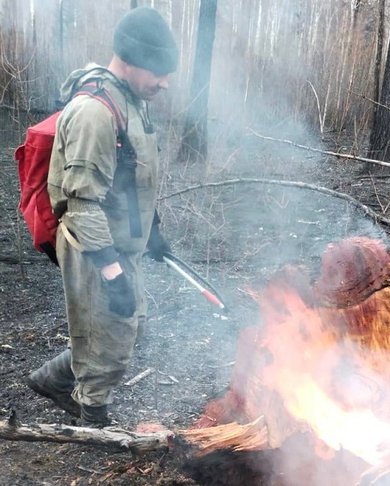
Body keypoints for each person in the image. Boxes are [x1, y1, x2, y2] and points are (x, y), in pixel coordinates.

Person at [26, 7, 178, 426]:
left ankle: (53, 378)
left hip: (120, 236)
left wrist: (153, 228)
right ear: (128, 60)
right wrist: (111, 273)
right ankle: (92, 419)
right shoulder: (95, 112)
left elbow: (136, 175)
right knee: (109, 340)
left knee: (131, 324)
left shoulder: (133, 100)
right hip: (94, 244)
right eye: (158, 72)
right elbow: (83, 203)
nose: (164, 83)